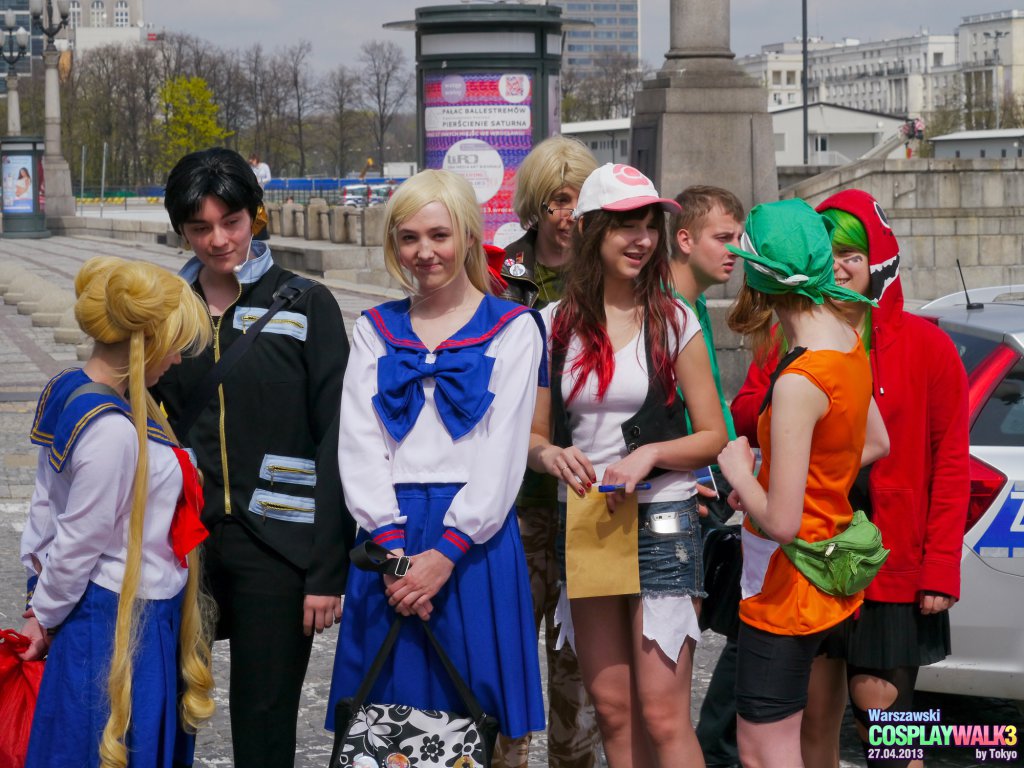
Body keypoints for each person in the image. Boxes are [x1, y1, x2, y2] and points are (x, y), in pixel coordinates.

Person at [730, 189, 969, 768]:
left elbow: (952, 462)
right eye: (829, 251)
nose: (839, 265)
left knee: (892, 722)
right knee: (815, 717)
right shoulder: (803, 343)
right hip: (821, 556)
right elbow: (748, 408)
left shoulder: (928, 345)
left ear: (878, 261)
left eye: (852, 254)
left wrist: (940, 566)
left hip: (888, 560)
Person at [325, 169, 546, 744]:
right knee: (385, 726)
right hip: (388, 537)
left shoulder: (515, 329)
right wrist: (395, 552)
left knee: (476, 718)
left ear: (469, 237)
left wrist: (446, 553)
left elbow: (503, 453)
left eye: (439, 235)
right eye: (409, 237)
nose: (424, 252)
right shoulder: (374, 329)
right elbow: (358, 441)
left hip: (473, 542)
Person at [153, 147, 352, 768]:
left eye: (231, 222)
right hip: (183, 545)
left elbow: (338, 437)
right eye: (200, 228)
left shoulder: (305, 303)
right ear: (181, 229)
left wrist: (326, 572)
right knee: (171, 703)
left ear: (255, 216)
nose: (219, 240)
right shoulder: (163, 311)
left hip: (279, 547)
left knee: (264, 718)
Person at [528, 163, 728, 767]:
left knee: (663, 715)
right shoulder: (550, 323)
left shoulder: (675, 320)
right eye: (624, 226)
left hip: (663, 521)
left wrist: (651, 454)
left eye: (648, 226)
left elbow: (714, 434)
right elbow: (533, 437)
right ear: (590, 231)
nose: (641, 239)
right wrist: (550, 455)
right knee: (611, 710)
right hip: (586, 523)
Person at [19, 257, 214, 768]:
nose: (176, 360)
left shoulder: (69, 389)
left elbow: (44, 510)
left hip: (111, 615)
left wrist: (39, 600)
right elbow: (78, 539)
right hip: (120, 622)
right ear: (145, 340)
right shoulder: (113, 430)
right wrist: (43, 613)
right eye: (173, 345)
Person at [716, 198, 890, 768]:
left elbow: (785, 522)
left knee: (766, 749)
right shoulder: (846, 338)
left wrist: (743, 470)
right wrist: (780, 475)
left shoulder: (799, 377)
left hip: (786, 586)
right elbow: (874, 444)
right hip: (829, 575)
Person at [492, 135, 601, 768]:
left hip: (588, 500)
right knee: (507, 663)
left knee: (579, 676)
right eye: (557, 200)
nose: (567, 214)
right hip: (514, 501)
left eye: (579, 200)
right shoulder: (498, 273)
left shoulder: (608, 275)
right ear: (536, 204)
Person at [668, 185, 745, 768]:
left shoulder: (688, 306)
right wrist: (683, 472)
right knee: (663, 693)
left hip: (699, 494)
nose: (736, 251)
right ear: (684, 238)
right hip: (673, 506)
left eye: (739, 239)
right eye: (724, 238)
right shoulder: (666, 306)